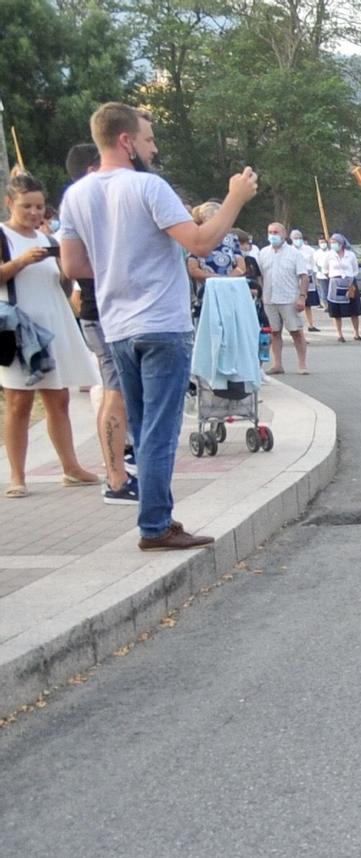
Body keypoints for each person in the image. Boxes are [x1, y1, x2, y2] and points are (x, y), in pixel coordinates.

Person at [59, 102, 256, 550]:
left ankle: (154, 520)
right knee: (161, 430)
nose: (154, 147)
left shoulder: (77, 195)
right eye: (148, 139)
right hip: (162, 323)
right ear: (126, 141)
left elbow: (72, 263)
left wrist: (118, 264)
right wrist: (236, 198)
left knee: (143, 424)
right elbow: (203, 243)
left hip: (116, 324)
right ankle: (155, 524)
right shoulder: (149, 187)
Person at [2, 173, 101, 499]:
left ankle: (70, 466)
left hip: (53, 320)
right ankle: (17, 475)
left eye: (39, 206)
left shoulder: (49, 239)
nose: (33, 212)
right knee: (19, 402)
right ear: (9, 204)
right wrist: (19, 263)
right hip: (19, 327)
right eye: (26, 206)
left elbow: (64, 279)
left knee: (59, 398)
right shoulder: (3, 236)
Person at [61, 141, 133, 503]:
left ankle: (119, 463)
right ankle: (117, 475)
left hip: (102, 310)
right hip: (100, 311)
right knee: (114, 389)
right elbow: (72, 267)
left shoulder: (82, 203)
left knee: (114, 388)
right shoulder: (83, 203)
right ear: (92, 169)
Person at [258, 223, 312, 375]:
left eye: (276, 232)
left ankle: (302, 364)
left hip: (289, 298)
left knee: (296, 331)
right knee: (274, 332)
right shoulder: (263, 253)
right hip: (269, 298)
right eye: (270, 232)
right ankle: (277, 364)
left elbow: (304, 277)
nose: (273, 235)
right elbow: (260, 276)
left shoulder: (294, 253)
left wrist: (302, 297)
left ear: (284, 234)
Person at [323, 234, 361, 343]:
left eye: (335, 242)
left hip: (349, 282)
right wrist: (333, 277)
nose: (333, 245)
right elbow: (325, 269)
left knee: (354, 310)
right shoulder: (329, 255)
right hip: (335, 282)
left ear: (341, 243)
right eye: (331, 242)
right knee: (336, 311)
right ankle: (340, 334)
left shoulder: (350, 255)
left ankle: (356, 333)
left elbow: (355, 269)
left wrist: (350, 280)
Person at [307, 234, 329, 331]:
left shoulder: (330, 252)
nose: (322, 244)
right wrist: (318, 271)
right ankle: (326, 306)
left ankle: (331, 305)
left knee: (329, 292)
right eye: (320, 242)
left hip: (330, 275)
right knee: (323, 292)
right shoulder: (316, 253)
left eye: (324, 242)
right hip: (320, 275)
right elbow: (314, 264)